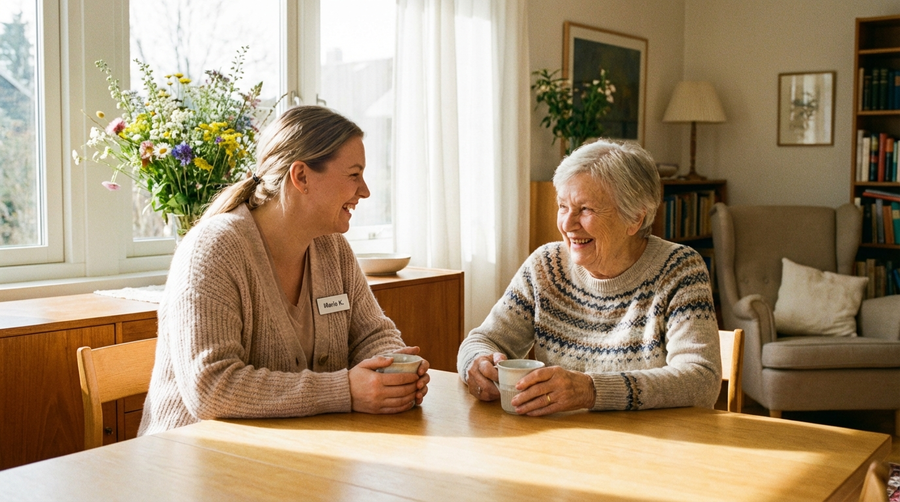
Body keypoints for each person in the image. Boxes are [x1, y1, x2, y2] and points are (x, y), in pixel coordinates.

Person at [139, 106, 429, 436]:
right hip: (191, 463)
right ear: (301, 176)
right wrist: (344, 390)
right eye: (354, 174)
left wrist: (394, 370)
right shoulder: (213, 249)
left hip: (291, 455)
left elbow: (372, 334)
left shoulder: (331, 247)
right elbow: (211, 388)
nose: (365, 191)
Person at [457, 139, 720, 416]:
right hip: (560, 442)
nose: (567, 224)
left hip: (648, 448)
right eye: (562, 206)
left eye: (585, 209)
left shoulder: (680, 270)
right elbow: (482, 340)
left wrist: (590, 390)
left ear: (635, 219)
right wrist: (476, 364)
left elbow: (701, 380)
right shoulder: (546, 267)